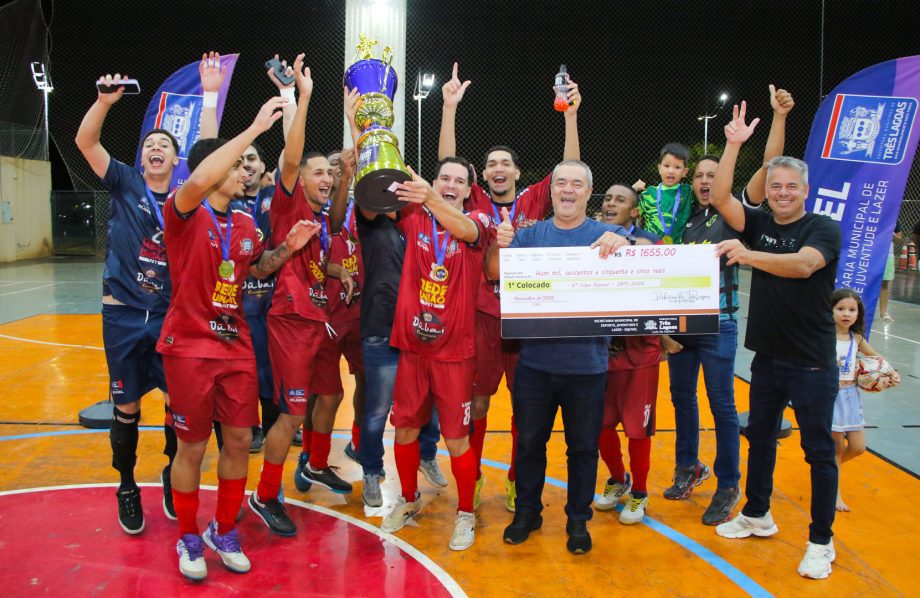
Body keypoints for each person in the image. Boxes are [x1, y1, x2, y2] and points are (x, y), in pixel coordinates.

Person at [160, 95, 318, 580]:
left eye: (248, 166)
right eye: (237, 166)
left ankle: (222, 529)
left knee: (235, 441)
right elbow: (202, 178)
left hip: (236, 347)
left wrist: (286, 251)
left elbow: (257, 269)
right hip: (188, 347)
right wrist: (252, 129)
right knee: (190, 448)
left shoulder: (247, 224)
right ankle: (188, 537)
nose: (245, 172)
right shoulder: (184, 210)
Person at [73, 54, 221, 534]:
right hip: (122, 316)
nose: (156, 147)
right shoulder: (124, 182)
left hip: (169, 317)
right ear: (141, 157)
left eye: (165, 145)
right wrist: (103, 102)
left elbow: (211, 153)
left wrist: (211, 92)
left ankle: (172, 476)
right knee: (127, 406)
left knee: (180, 406)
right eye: (150, 144)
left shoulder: (185, 196)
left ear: (177, 161)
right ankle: (126, 486)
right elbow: (85, 141)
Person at [437, 62, 582, 511]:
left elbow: (570, 168)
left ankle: (519, 481)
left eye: (506, 164)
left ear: (519, 173)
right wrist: (448, 107)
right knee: (477, 403)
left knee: (526, 408)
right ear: (483, 175)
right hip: (481, 319)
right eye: (492, 164)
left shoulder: (535, 199)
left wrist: (570, 116)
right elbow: (448, 164)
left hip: (528, 321)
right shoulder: (476, 200)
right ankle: (474, 476)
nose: (498, 169)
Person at [709, 102, 842, 580]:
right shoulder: (761, 223)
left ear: (805, 192)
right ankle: (757, 513)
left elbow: (805, 264)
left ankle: (820, 541)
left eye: (791, 187)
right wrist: (733, 144)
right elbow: (723, 197)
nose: (783, 193)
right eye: (776, 186)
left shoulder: (821, 228)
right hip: (766, 359)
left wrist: (748, 256)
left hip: (811, 364)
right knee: (760, 440)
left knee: (818, 452)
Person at [487, 160, 635, 555]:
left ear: (589, 192)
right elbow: (493, 272)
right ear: (551, 191)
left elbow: (654, 253)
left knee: (583, 448)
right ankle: (528, 513)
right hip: (534, 366)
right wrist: (500, 243)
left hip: (587, 368)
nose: (568, 190)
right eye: (560, 183)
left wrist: (630, 245)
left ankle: (577, 519)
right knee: (530, 444)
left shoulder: (609, 233)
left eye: (577, 184)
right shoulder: (531, 236)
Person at [663, 84, 795, 526]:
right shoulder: (683, 219)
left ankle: (727, 482)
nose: (704, 180)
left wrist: (776, 119)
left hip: (718, 322)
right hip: (681, 324)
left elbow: (768, 167)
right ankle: (688, 467)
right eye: (698, 174)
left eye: (711, 174)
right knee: (681, 398)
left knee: (720, 401)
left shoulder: (734, 213)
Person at [248, 55, 355, 537]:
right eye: (318, 173)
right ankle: (265, 494)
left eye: (328, 175)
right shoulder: (288, 203)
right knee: (292, 414)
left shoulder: (318, 216)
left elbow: (316, 260)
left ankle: (313, 465)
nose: (325, 179)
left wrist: (339, 271)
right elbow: (291, 158)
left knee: (329, 394)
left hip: (318, 318)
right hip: (292, 322)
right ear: (300, 179)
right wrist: (303, 98)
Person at [380, 157, 492, 552]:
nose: (450, 184)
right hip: (413, 347)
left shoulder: (479, 220)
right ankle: (408, 499)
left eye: (458, 181)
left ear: (467, 190)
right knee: (406, 428)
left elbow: (463, 228)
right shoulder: (415, 216)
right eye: (444, 177)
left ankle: (465, 513)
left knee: (457, 438)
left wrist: (429, 195)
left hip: (455, 353)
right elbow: (375, 195)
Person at [590, 185, 662, 526]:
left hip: (640, 353)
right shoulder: (590, 239)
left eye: (620, 200)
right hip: (602, 352)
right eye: (607, 198)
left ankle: (641, 493)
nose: (610, 203)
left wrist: (625, 242)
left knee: (637, 429)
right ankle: (619, 480)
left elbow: (652, 252)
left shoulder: (647, 241)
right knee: (601, 425)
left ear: (634, 212)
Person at [830, 289, 880, 512]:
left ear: (858, 314)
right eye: (840, 309)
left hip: (851, 396)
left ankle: (827, 468)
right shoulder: (826, 336)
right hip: (830, 395)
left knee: (858, 447)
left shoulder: (857, 339)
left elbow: (877, 359)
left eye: (852, 310)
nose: (846, 314)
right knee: (837, 448)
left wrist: (887, 373)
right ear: (830, 311)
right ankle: (834, 494)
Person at [634, 143, 693, 244]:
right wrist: (633, 189)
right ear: (659, 168)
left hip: (679, 250)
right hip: (651, 249)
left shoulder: (688, 192)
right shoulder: (649, 193)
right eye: (666, 166)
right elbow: (629, 212)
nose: (671, 171)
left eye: (677, 167)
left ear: (685, 172)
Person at [878, 225, 901, 322]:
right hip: (869, 252)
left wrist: (890, 232)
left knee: (885, 282)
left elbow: (899, 239)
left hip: (887, 254)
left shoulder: (894, 219)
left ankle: (883, 312)